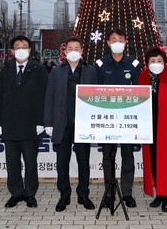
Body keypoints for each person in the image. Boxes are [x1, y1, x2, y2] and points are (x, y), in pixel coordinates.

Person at [0, 35, 48, 208]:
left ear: (30, 49)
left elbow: (44, 97)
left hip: (31, 126)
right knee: (12, 163)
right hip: (9, 125)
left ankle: (30, 193)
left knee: (31, 163)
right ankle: (15, 193)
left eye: (25, 46)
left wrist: (42, 121)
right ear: (12, 50)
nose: (21, 49)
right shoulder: (6, 69)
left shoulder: (39, 69)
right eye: (18, 46)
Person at [43, 37, 97, 212]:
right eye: (70, 48)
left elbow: (97, 96)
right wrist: (48, 122)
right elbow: (49, 97)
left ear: (82, 51)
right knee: (62, 162)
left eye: (77, 48)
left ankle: (83, 194)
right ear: (65, 52)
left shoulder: (90, 70)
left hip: (83, 124)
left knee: (83, 161)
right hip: (62, 123)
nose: (73, 51)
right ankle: (64, 195)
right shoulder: (57, 71)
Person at [95, 28, 142, 208]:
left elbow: (140, 92)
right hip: (106, 119)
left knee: (128, 156)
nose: (117, 42)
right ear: (107, 42)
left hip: (128, 119)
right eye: (113, 39)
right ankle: (109, 193)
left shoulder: (134, 64)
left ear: (125, 42)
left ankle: (127, 193)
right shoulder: (100, 64)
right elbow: (95, 91)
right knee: (108, 156)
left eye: (120, 39)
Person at [137, 47, 167, 213]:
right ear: (147, 63)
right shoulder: (143, 77)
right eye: (152, 61)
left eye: (159, 61)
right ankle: (158, 193)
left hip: (166, 128)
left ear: (164, 62)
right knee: (153, 163)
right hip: (149, 127)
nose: (156, 64)